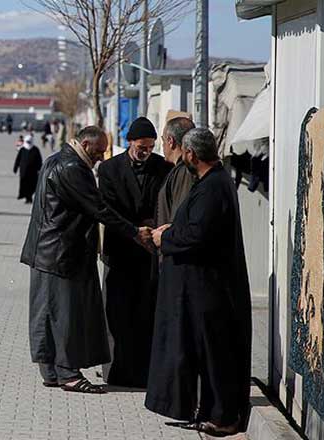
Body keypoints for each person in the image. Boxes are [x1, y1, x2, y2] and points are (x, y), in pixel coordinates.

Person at [20, 126, 152, 394]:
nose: (102, 157)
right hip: (61, 253)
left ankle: (52, 371)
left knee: (48, 313)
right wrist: (135, 232)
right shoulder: (72, 168)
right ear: (86, 144)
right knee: (66, 315)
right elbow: (99, 208)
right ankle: (68, 373)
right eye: (99, 151)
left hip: (46, 252)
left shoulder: (55, 160)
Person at [146, 128, 252, 436]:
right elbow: (195, 224)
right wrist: (174, 226)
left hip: (210, 289)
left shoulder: (213, 186)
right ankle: (210, 412)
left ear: (191, 154)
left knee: (217, 354)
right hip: (202, 287)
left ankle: (223, 417)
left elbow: (199, 234)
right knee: (207, 354)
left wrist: (165, 236)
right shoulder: (212, 182)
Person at [97, 117, 173, 388]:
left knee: (145, 312)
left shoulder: (163, 168)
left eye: (151, 146)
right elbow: (107, 209)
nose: (146, 151)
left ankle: (144, 372)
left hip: (149, 252)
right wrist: (133, 230)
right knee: (117, 313)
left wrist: (151, 231)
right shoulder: (109, 169)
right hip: (120, 250)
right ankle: (116, 371)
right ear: (130, 142)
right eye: (142, 146)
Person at [156, 117, 197, 226]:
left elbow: (179, 216)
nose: (163, 145)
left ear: (170, 141)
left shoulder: (184, 171)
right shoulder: (182, 169)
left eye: (163, 140)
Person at [13, 134, 43, 204]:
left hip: (33, 172)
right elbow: (18, 159)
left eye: (29, 142)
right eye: (27, 142)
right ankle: (27, 198)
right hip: (23, 171)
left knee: (32, 185)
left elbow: (39, 160)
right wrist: (15, 168)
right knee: (24, 185)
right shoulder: (22, 149)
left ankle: (29, 197)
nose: (28, 143)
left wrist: (40, 169)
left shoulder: (35, 149)